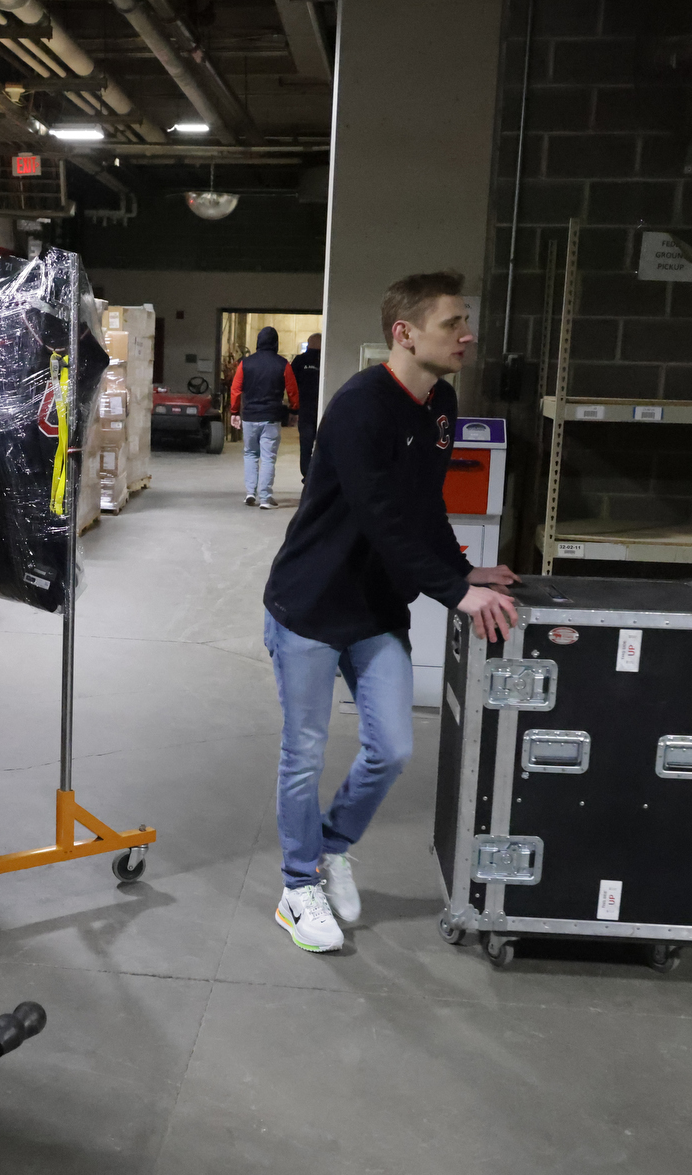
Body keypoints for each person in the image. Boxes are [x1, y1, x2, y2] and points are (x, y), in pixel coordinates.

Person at [261, 271, 518, 953]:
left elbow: (423, 505)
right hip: (311, 607)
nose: (466, 335)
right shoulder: (358, 408)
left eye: (466, 322)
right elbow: (381, 519)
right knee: (303, 754)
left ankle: (331, 848)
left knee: (392, 748)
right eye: (451, 324)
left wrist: (462, 568)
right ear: (404, 333)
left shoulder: (440, 403)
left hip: (375, 611)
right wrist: (456, 593)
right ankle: (296, 887)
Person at [229, 326, 299, 509]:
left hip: (250, 417)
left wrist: (234, 412)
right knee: (268, 458)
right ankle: (266, 498)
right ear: (276, 342)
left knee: (250, 454)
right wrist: (294, 411)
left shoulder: (245, 363)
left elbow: (235, 389)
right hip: (271, 418)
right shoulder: (283, 364)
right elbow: (293, 391)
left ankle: (250, 492)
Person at [291, 333, 322, 479]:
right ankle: (318, 475)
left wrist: (293, 408)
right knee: (323, 445)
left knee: (306, 445)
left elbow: (291, 385)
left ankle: (307, 475)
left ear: (309, 344)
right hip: (323, 408)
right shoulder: (325, 359)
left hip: (304, 409)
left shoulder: (299, 360)